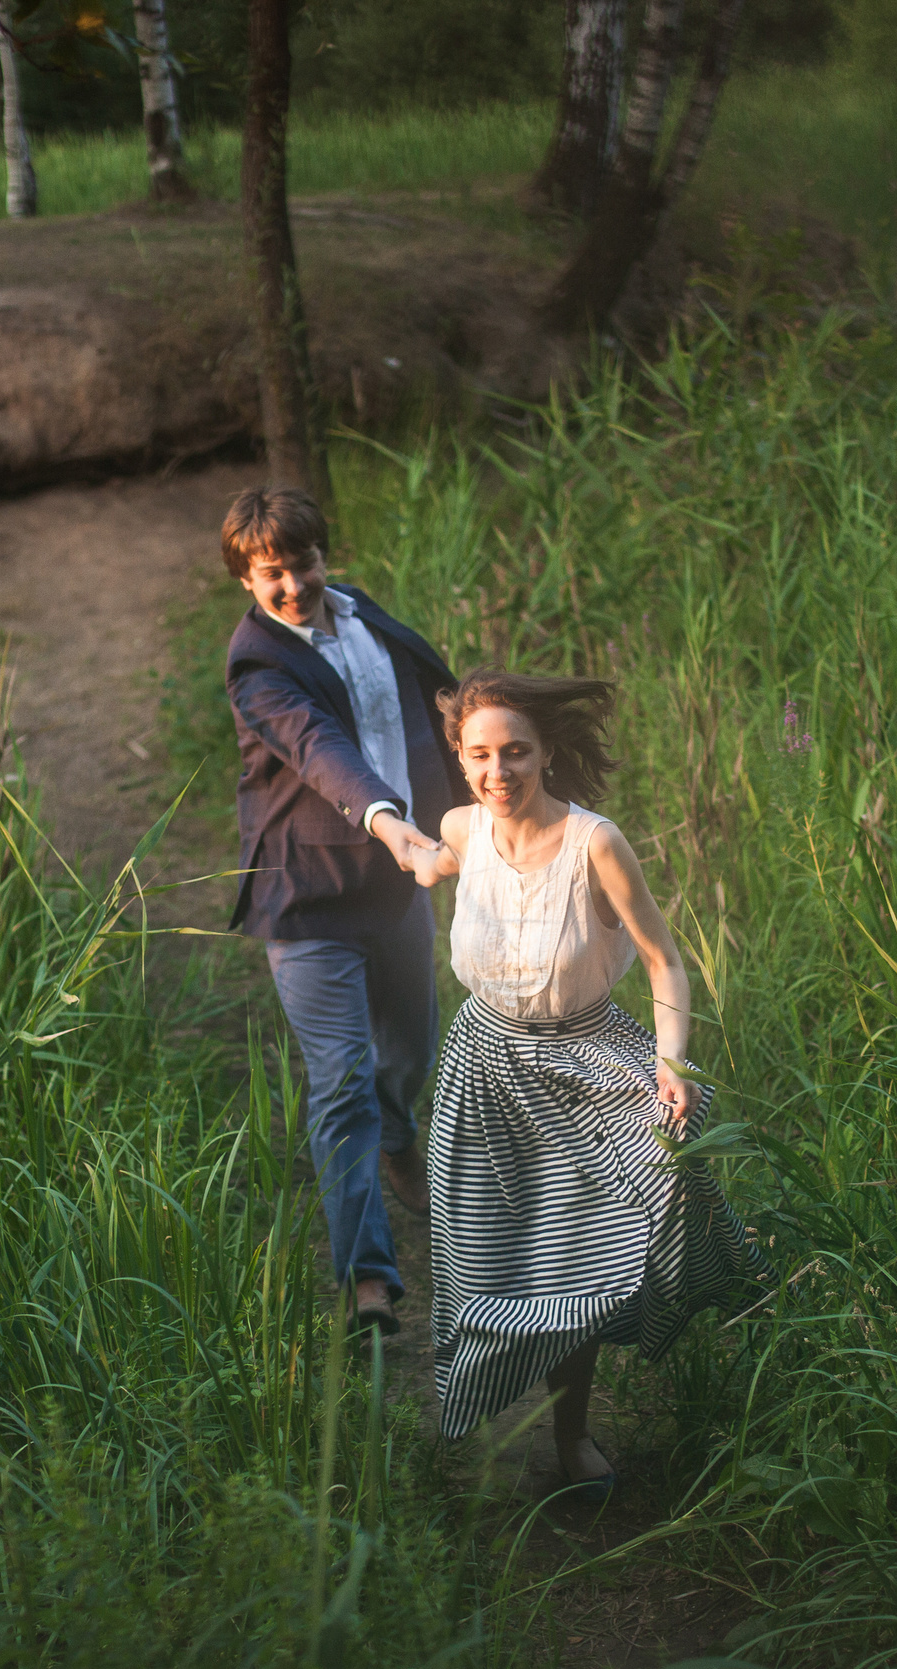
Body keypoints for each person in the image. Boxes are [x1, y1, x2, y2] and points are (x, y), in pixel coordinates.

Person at [408, 672, 768, 1494]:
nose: (498, 772)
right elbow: (441, 859)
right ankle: (476, 1402)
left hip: (585, 1060)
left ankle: (574, 1433)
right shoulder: (461, 824)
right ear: (460, 759)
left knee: (610, 1226)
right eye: (479, 755)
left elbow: (664, 960)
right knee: (488, 1258)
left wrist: (673, 1067)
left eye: (516, 752)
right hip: (483, 1065)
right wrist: (394, 832)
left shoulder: (594, 842)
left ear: (547, 752)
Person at [223, 486, 459, 1337]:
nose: (292, 585)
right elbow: (321, 752)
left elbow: (437, 711)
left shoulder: (360, 613)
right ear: (246, 580)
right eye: (270, 574)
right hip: (310, 900)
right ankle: (368, 1277)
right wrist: (392, 825)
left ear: (328, 554)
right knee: (344, 1082)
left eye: (303, 563)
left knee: (412, 1052)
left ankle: (401, 1139)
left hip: (398, 884)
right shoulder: (258, 664)